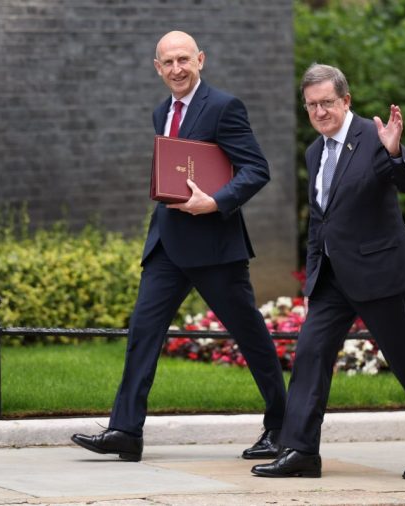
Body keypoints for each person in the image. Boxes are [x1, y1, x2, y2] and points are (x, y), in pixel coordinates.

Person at [71, 31, 287, 463]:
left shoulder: (225, 107)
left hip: (215, 248)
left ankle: (284, 427)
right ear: (157, 68)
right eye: (168, 62)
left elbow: (256, 169)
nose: (177, 69)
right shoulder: (160, 112)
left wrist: (216, 201)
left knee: (250, 336)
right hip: (167, 244)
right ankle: (126, 431)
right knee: (143, 334)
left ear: (201, 60)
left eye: (184, 60)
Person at [251, 63, 405, 480]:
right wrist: (311, 276)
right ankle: (301, 451)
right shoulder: (314, 150)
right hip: (331, 277)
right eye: (312, 105)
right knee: (309, 353)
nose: (320, 111)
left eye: (327, 102)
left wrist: (396, 151)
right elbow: (320, 221)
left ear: (346, 100)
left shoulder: (374, 137)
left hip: (379, 273)